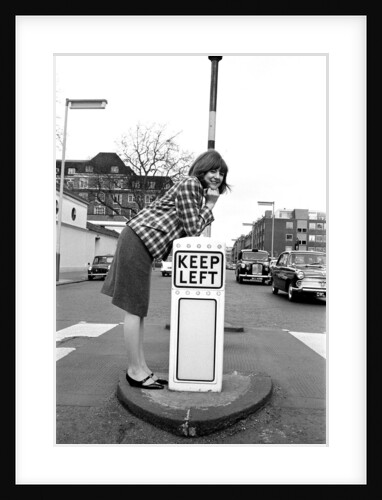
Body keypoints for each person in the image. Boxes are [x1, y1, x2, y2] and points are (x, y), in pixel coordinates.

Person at [101, 149, 230, 389]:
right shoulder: (191, 184)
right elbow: (192, 230)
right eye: (213, 170)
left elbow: (188, 227)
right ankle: (134, 370)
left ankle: (141, 368)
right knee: (133, 308)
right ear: (202, 168)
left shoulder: (193, 190)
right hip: (139, 239)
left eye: (221, 173)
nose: (217, 176)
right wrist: (210, 205)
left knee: (138, 309)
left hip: (140, 241)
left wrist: (206, 205)